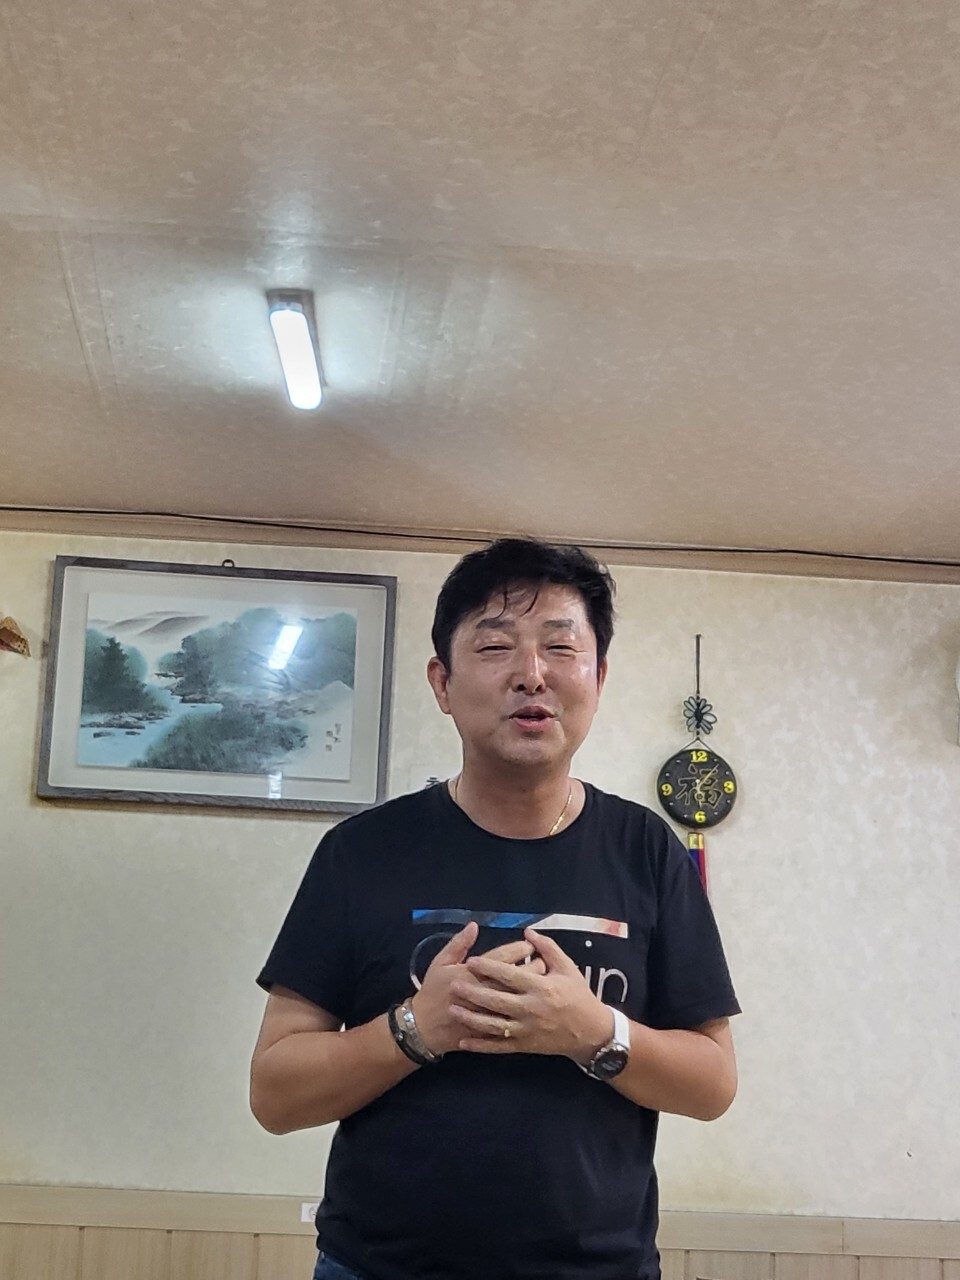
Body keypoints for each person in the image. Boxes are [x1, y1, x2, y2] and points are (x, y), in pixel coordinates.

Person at [250, 537, 740, 1280]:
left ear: (599, 677)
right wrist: (416, 1029)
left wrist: (592, 1032)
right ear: (442, 682)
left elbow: (712, 1083)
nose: (531, 673)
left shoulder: (647, 850)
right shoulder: (361, 852)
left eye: (560, 647)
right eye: (495, 645)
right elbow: (275, 1093)